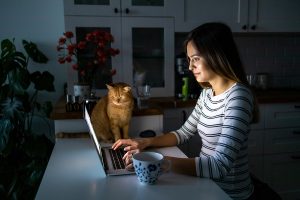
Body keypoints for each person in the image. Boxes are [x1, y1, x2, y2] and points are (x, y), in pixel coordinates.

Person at [112, 22, 259, 200]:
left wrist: (161, 162)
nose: (190, 67)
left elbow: (219, 166)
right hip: (206, 184)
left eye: (195, 59)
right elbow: (183, 133)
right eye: (189, 60)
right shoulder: (207, 94)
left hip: (228, 194)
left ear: (216, 55)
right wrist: (145, 143)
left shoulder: (238, 97)